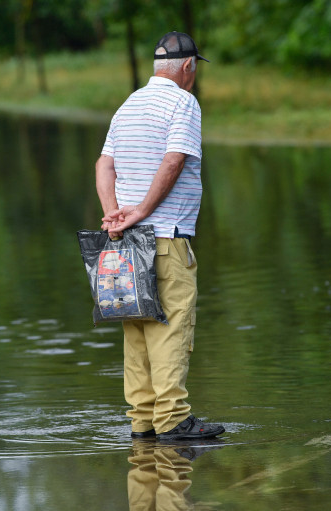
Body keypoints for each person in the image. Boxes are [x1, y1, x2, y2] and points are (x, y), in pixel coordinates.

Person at [95, 31, 224, 441]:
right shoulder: (184, 102)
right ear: (188, 68)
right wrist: (144, 210)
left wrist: (112, 214)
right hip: (166, 239)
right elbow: (175, 159)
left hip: (124, 245)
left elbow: (104, 164)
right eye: (194, 70)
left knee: (136, 335)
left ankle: (144, 422)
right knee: (170, 330)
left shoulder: (128, 103)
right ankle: (173, 420)